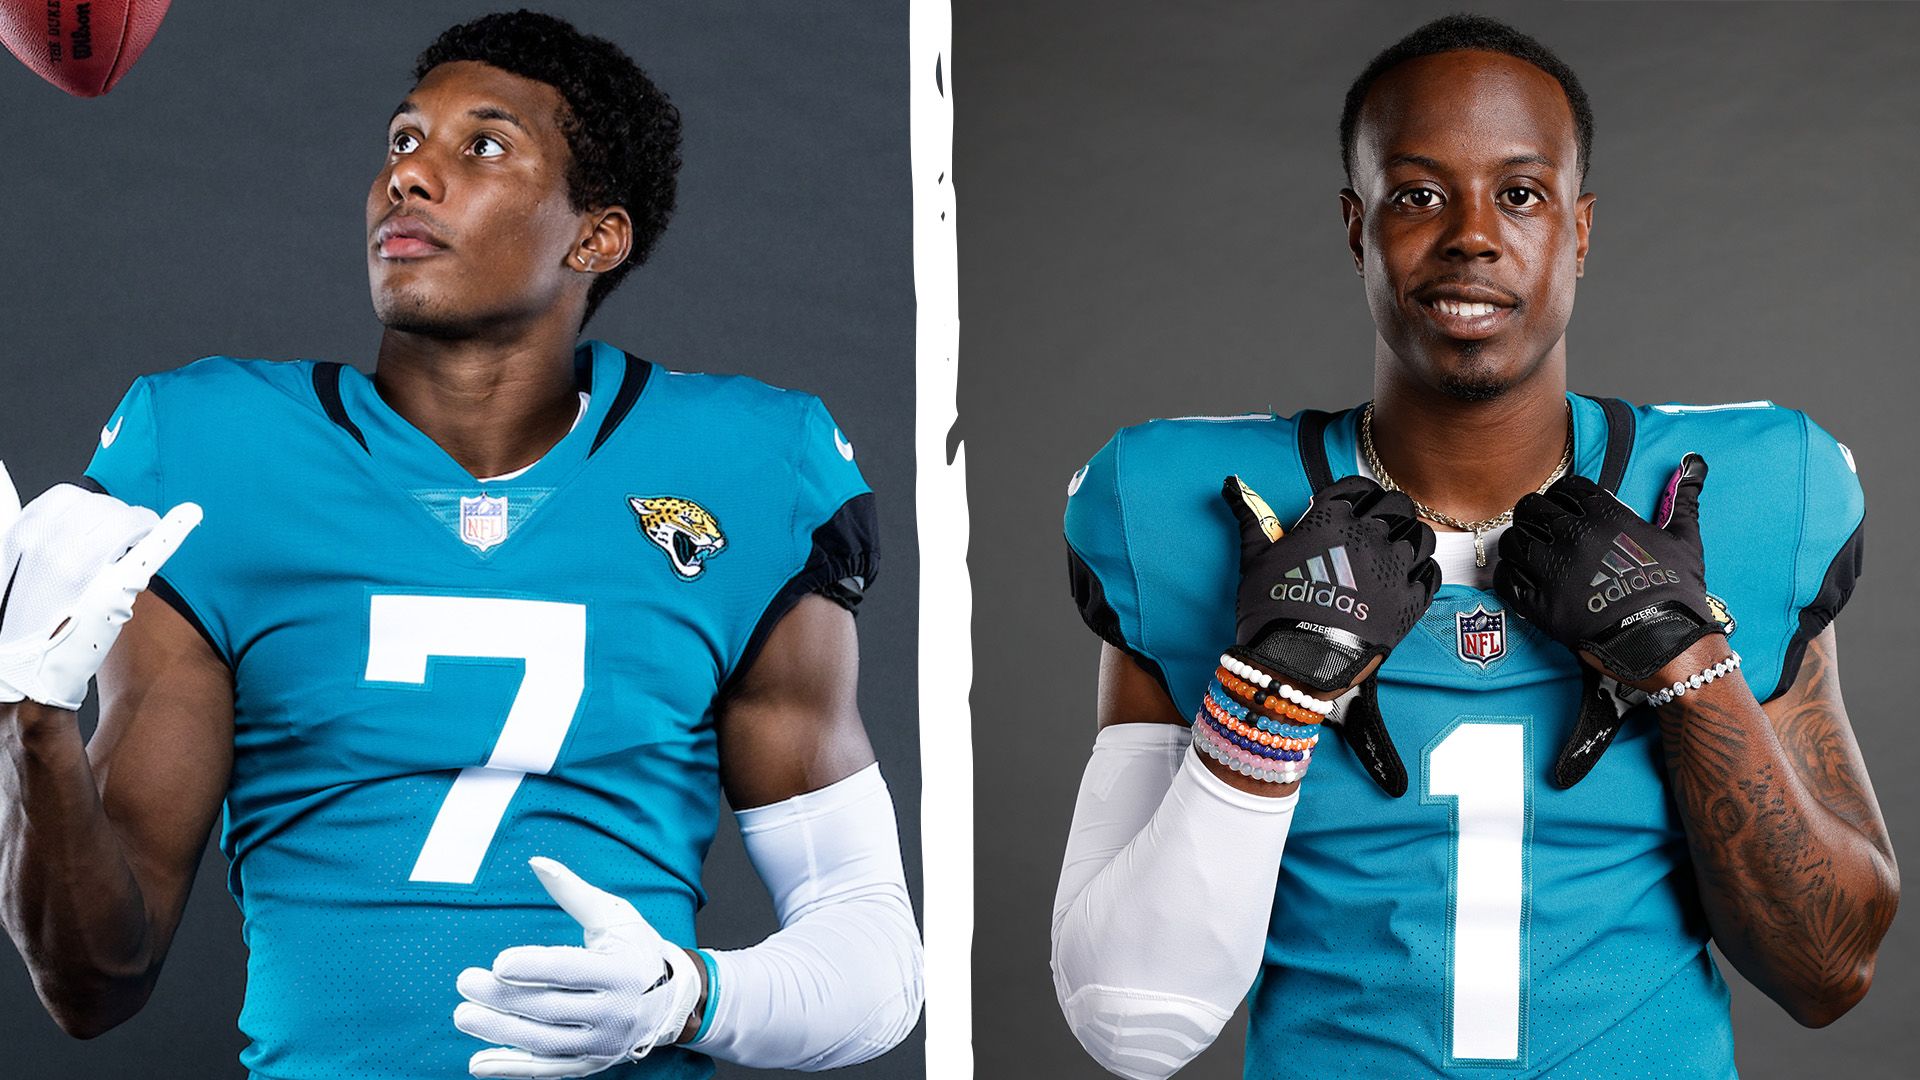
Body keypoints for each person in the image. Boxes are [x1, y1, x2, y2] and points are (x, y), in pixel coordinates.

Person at [0, 11, 922, 1079]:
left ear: (595, 237)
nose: (411, 177)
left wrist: (689, 996)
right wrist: (31, 724)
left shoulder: (753, 467)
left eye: (480, 147)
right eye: (402, 141)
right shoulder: (209, 454)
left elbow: (876, 953)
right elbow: (93, 986)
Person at [1051, 13, 1895, 1078]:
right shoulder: (1184, 507)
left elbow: (1829, 970)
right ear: (1356, 226)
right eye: (1417, 194)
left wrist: (1687, 660)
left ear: (1580, 231)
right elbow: (1132, 1027)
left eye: (1522, 193)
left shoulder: (1753, 491)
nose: (1472, 236)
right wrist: (1267, 694)